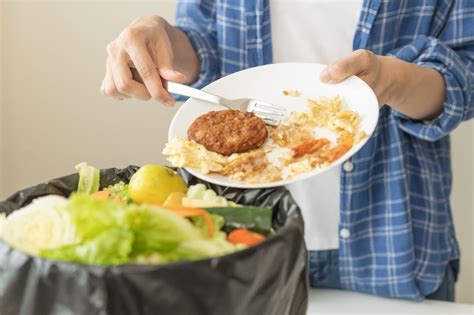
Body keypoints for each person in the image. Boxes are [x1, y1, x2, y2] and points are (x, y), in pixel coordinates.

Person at [101, 0, 473, 301]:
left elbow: (466, 75)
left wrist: (394, 82)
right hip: (246, 238)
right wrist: (159, 41)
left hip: (393, 237)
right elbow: (204, 45)